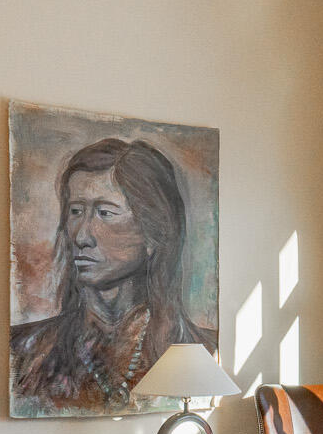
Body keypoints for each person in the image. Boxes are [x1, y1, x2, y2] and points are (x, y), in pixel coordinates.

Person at [11, 137, 216, 413]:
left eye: (105, 212)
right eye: (75, 211)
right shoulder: (24, 351)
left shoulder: (203, 351)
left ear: (153, 232)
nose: (82, 236)